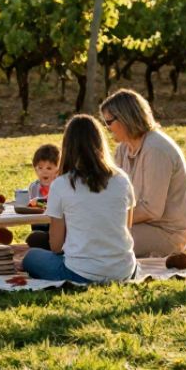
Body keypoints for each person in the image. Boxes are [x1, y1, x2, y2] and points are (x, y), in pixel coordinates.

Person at [21, 114, 137, 284]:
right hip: (124, 271)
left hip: (80, 273)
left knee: (31, 257)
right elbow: (127, 226)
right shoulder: (122, 179)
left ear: (68, 146)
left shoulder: (61, 184)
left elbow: (56, 246)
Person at [101, 89, 186, 257]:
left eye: (108, 122)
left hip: (167, 233)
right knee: (86, 235)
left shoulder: (156, 149)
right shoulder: (123, 149)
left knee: (100, 240)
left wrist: (108, 217)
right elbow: (112, 193)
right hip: (137, 224)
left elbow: (151, 210)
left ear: (125, 118)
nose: (106, 128)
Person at [24, 143, 60, 249]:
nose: (44, 171)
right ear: (35, 169)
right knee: (36, 234)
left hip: (56, 225)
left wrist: (40, 202)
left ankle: (48, 241)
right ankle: (42, 240)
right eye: (40, 168)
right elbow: (30, 206)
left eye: (49, 168)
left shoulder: (60, 186)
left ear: (58, 170)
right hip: (39, 224)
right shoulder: (34, 187)